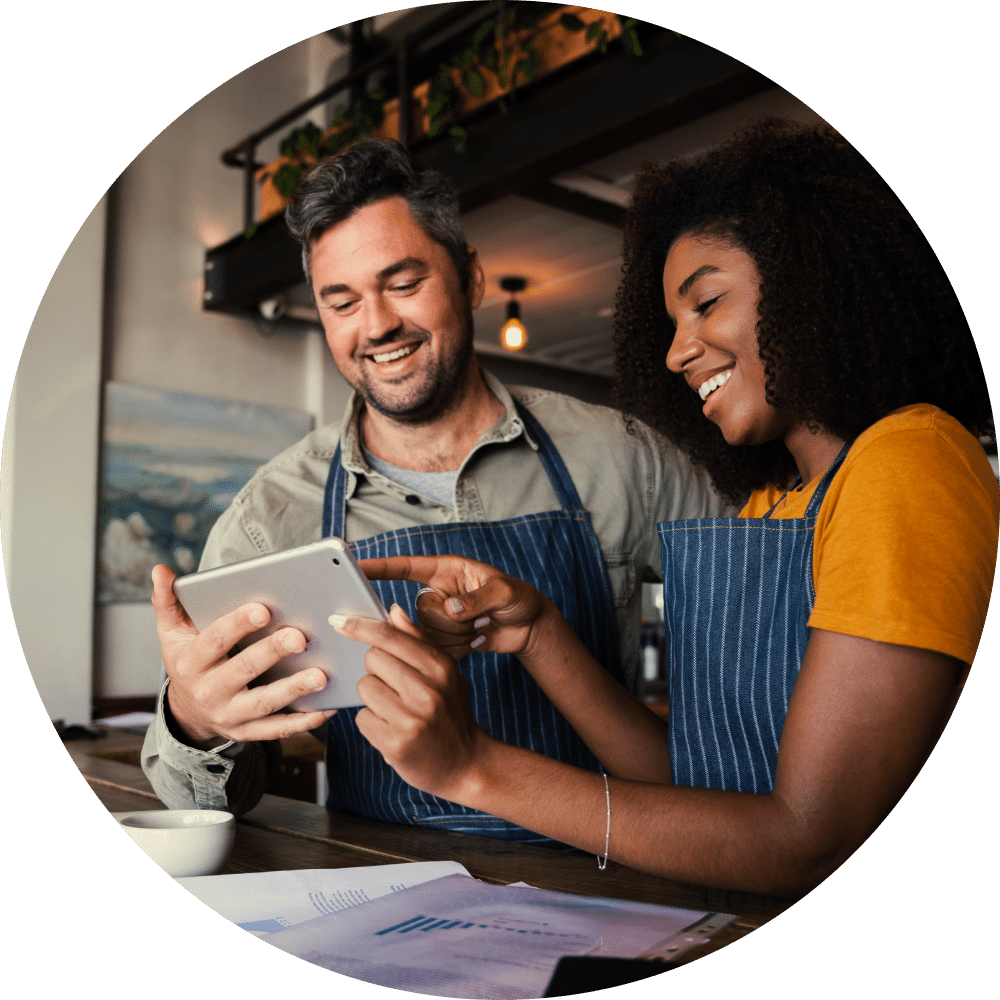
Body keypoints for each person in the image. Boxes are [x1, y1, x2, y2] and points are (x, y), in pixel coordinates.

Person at [329, 120, 999, 897]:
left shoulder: (909, 460)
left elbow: (809, 839)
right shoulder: (771, 504)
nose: (678, 352)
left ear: (814, 278)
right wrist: (540, 631)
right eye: (672, 323)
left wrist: (473, 768)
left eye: (706, 301)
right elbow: (695, 783)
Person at [141, 139, 727, 841]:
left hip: (621, 874)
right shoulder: (272, 517)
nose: (377, 324)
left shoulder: (624, 457)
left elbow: (762, 657)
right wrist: (195, 719)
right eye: (342, 301)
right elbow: (208, 804)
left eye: (403, 282)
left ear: (470, 278)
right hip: (380, 887)